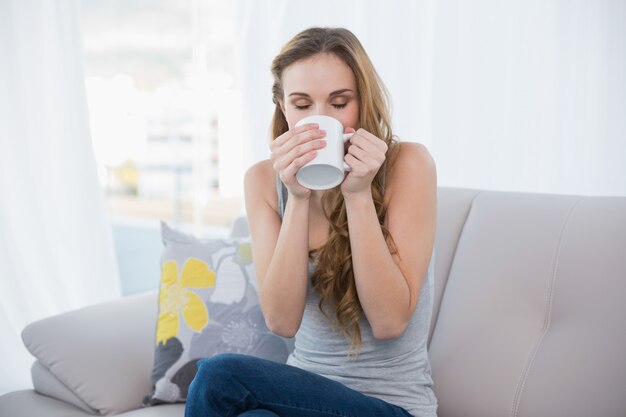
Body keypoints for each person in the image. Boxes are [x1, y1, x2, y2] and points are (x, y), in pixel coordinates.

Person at [186, 27, 438, 417]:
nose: (320, 120)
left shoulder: (408, 164)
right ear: (283, 107)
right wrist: (299, 197)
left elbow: (389, 321)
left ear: (361, 102)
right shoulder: (263, 181)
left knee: (218, 376)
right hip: (299, 399)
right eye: (302, 105)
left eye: (339, 103)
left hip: (391, 406)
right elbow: (281, 321)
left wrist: (357, 193)